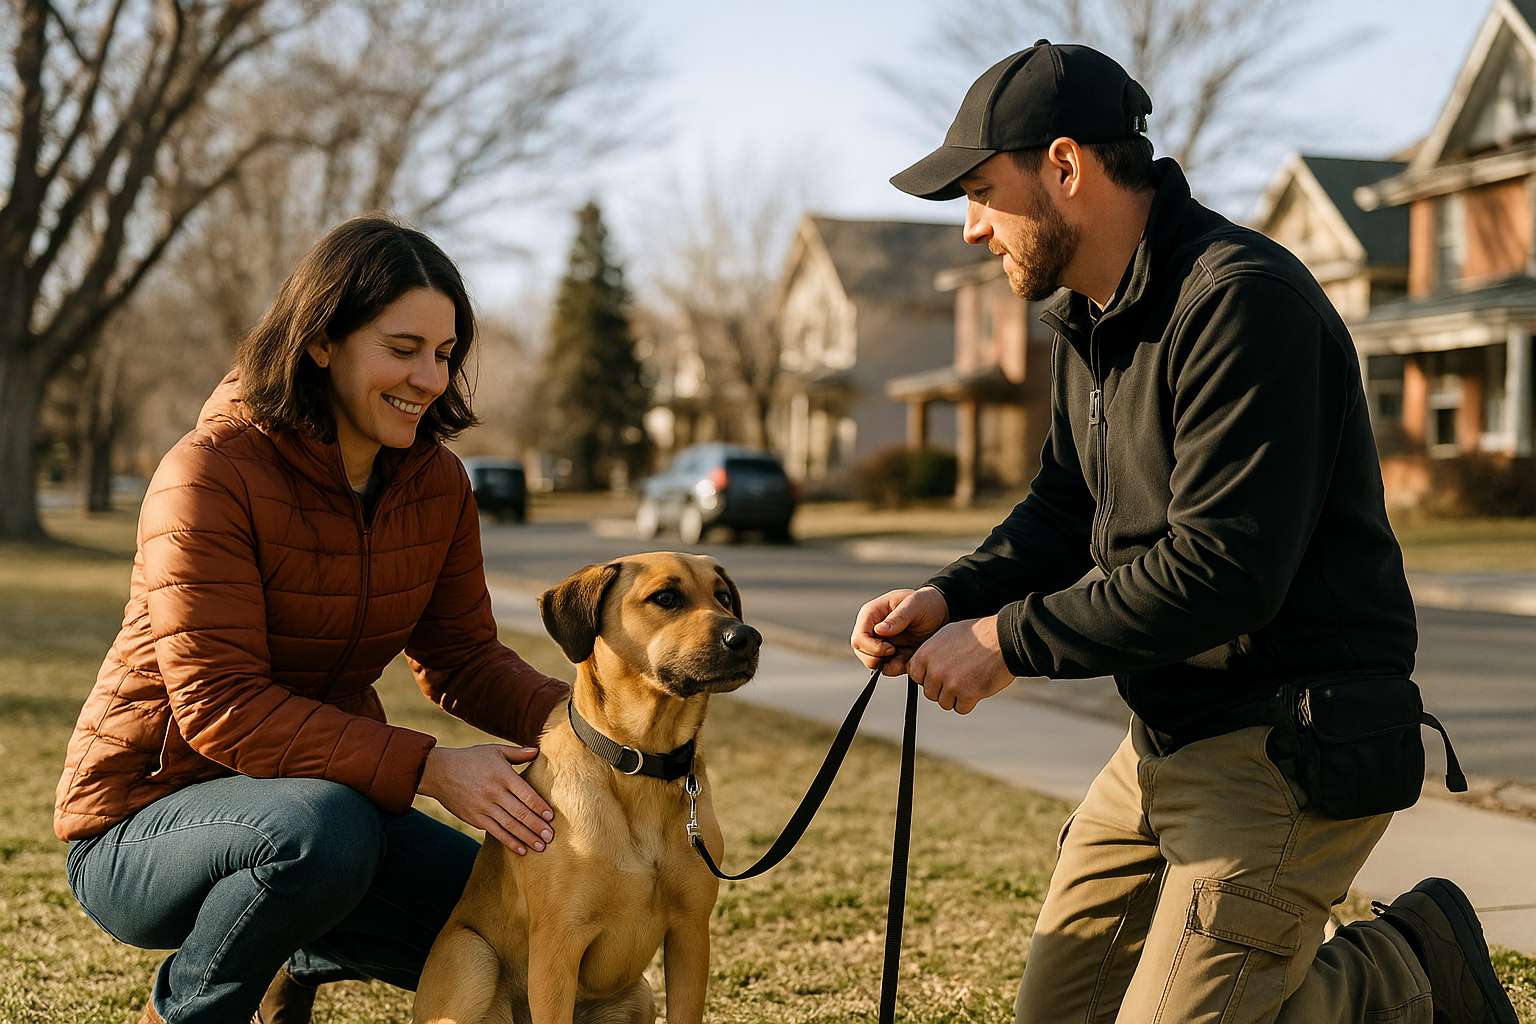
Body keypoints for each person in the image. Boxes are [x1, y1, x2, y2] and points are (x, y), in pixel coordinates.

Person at [851, 41, 1516, 1024]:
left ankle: (1407, 967)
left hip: (1290, 736)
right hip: (1166, 732)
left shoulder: (1243, 304)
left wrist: (1006, 641)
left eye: (983, 191)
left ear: (1066, 167)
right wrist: (954, 596)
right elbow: (1065, 506)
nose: (970, 229)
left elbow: (1224, 571)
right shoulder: (1091, 317)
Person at [55, 216, 571, 1024]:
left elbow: (464, 656)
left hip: (328, 810)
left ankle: (295, 952)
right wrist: (432, 769)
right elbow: (220, 704)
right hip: (143, 825)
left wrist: (596, 727)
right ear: (323, 341)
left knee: (513, 941)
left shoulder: (436, 487)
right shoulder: (210, 473)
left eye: (444, 354)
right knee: (323, 832)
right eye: (403, 350)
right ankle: (187, 1012)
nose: (431, 379)